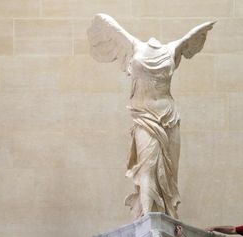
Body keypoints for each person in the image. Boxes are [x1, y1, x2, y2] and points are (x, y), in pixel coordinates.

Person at [87, 14, 215, 220]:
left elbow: (193, 38)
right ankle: (147, 219)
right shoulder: (134, 46)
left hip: (169, 117)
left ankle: (166, 214)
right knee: (147, 166)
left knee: (169, 172)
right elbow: (104, 24)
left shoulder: (173, 49)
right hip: (144, 116)